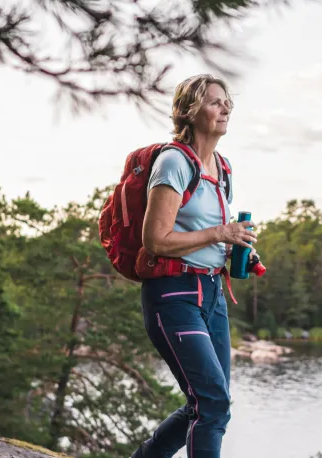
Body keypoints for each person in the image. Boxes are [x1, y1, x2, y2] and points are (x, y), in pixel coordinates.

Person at [131, 74, 257, 458]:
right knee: (213, 403)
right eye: (216, 102)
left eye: (227, 102)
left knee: (202, 405)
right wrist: (221, 232)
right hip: (174, 295)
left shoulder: (223, 168)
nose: (226, 109)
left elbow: (210, 235)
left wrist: (239, 249)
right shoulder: (172, 162)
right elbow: (155, 240)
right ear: (189, 111)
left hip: (212, 295)